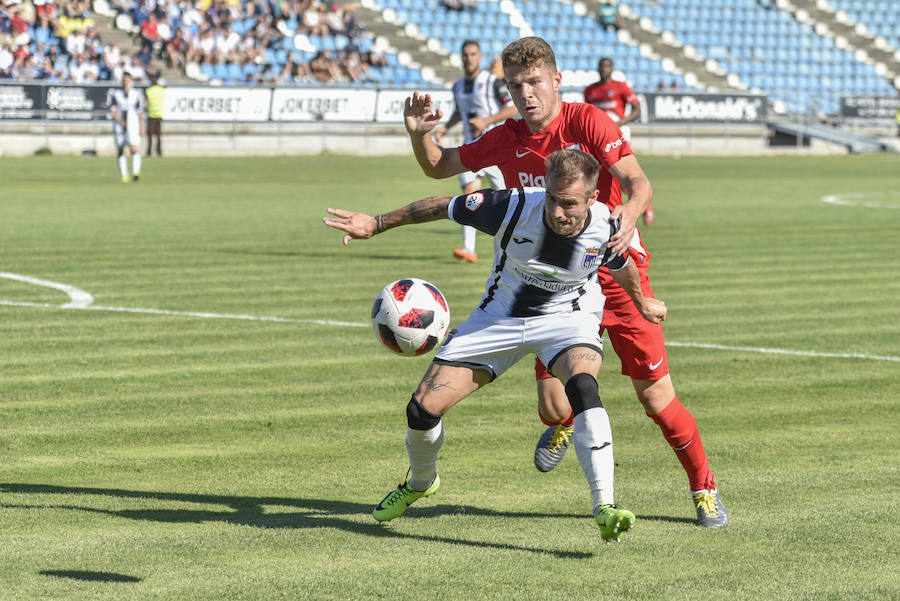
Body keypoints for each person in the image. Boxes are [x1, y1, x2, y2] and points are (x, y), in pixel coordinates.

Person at [402, 36, 729, 528]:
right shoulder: (506, 137)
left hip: (616, 275)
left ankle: (704, 489)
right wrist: (418, 134)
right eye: (515, 85)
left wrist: (629, 215)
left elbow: (639, 183)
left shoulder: (587, 122)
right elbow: (438, 166)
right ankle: (571, 419)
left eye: (534, 82)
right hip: (551, 290)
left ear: (556, 81)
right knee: (554, 406)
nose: (525, 93)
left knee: (656, 399)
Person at [324, 149, 668, 542]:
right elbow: (442, 206)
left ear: (592, 199)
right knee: (421, 410)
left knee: (584, 387)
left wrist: (641, 303)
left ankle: (604, 506)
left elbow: (620, 262)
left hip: (568, 321)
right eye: (553, 199)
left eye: (569, 204)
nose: (557, 212)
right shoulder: (513, 206)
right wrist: (378, 222)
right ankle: (421, 482)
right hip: (499, 319)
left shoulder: (610, 224)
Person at [434, 40, 517, 263]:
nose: (468, 58)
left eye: (473, 54)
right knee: (470, 195)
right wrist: (445, 127)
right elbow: (460, 113)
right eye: (465, 54)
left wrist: (487, 120)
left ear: (479, 57)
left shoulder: (493, 82)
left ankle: (512, 245)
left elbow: (512, 107)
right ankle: (468, 248)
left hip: (495, 149)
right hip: (471, 149)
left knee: (506, 199)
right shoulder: (458, 86)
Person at [583, 57, 654, 225]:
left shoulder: (620, 87)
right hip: (597, 137)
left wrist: (619, 123)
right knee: (603, 174)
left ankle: (644, 202)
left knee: (621, 172)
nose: (603, 69)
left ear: (612, 68)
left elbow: (638, 110)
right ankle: (606, 207)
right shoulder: (590, 90)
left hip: (618, 134)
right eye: (601, 66)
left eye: (606, 66)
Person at [106, 71, 146, 183]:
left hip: (133, 124)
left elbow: (140, 112)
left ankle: (136, 172)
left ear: (131, 81)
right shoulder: (115, 93)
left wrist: (142, 126)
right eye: (124, 80)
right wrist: (120, 121)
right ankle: (124, 174)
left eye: (128, 80)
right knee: (120, 150)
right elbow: (113, 110)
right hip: (119, 125)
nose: (126, 82)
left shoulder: (135, 94)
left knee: (134, 148)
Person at [145, 74, 165, 157]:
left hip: (151, 114)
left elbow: (147, 103)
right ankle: (159, 151)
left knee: (150, 135)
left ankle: (149, 152)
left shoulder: (149, 90)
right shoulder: (162, 90)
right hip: (159, 114)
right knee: (159, 135)